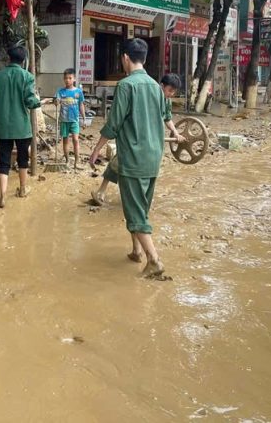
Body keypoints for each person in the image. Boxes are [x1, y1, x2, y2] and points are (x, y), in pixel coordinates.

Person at [89, 39, 166, 278]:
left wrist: (96, 149)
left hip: (133, 157)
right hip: (154, 156)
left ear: (125, 57)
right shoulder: (156, 87)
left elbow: (114, 124)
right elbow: (164, 117)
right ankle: (136, 251)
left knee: (134, 213)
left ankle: (154, 260)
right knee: (140, 208)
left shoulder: (125, 86)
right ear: (144, 57)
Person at [91, 73, 186, 206]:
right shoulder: (146, 95)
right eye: (170, 90)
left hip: (151, 142)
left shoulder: (166, 101)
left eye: (174, 92)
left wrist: (175, 133)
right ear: (161, 86)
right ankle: (101, 191)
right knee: (116, 164)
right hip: (134, 138)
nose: (171, 94)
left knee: (146, 170)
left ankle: (139, 199)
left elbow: (167, 118)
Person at [0, 46, 41, 208]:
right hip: (22, 127)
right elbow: (30, 101)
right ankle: (23, 189)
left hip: (3, 126)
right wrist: (40, 102)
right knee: (23, 159)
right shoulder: (27, 76)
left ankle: (2, 196)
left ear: (8, 58)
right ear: (23, 60)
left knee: (4, 161)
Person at [44, 68, 86, 169]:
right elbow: (56, 101)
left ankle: (76, 161)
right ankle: (67, 160)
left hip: (74, 120)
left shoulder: (78, 92)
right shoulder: (60, 91)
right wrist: (56, 101)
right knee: (65, 141)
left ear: (74, 79)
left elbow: (81, 105)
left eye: (70, 78)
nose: (68, 80)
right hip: (64, 120)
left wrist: (84, 118)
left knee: (76, 140)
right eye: (66, 78)